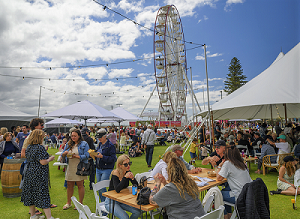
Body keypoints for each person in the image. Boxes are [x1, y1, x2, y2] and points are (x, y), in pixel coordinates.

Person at [20, 129, 58, 219]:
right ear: (39, 137)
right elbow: (43, 162)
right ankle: (49, 217)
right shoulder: (40, 147)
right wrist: (50, 159)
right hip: (39, 174)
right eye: (42, 136)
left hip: (29, 173)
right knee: (43, 194)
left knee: (31, 194)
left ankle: (33, 216)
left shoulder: (29, 147)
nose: (43, 137)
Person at [216, 146, 252, 219]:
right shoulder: (241, 163)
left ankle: (225, 216)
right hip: (249, 194)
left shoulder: (228, 163)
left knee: (218, 194)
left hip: (240, 196)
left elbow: (219, 178)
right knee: (225, 190)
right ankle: (229, 214)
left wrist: (219, 166)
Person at [104, 154, 141, 219]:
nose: (128, 166)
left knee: (137, 212)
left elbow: (136, 186)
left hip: (122, 200)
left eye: (129, 163)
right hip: (111, 201)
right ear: (120, 165)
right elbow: (117, 189)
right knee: (125, 217)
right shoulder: (116, 173)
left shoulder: (127, 172)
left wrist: (132, 179)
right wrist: (125, 177)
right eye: (126, 164)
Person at [61, 129, 90, 210]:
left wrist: (76, 156)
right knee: (69, 185)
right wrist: (64, 153)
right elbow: (62, 153)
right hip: (70, 167)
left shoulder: (84, 144)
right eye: (72, 136)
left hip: (80, 167)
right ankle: (68, 203)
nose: (73, 137)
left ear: (79, 136)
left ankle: (80, 203)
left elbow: (87, 155)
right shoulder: (68, 143)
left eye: (75, 136)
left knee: (80, 185)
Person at [93, 128, 117, 203]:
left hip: (107, 168)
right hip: (98, 168)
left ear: (105, 136)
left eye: (100, 137)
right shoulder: (100, 144)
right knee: (99, 187)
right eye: (98, 138)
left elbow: (113, 159)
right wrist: (93, 154)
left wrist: (102, 157)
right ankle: (104, 203)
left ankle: (106, 204)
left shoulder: (111, 146)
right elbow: (98, 152)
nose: (99, 139)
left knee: (102, 187)